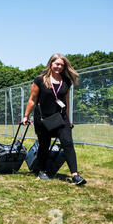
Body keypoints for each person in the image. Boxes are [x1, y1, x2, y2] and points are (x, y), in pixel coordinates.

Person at [22, 53, 86, 186]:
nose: (59, 67)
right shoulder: (40, 80)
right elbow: (32, 100)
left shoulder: (66, 82)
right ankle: (41, 171)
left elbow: (66, 102)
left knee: (68, 143)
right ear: (51, 64)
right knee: (44, 145)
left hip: (61, 119)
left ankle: (75, 175)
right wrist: (26, 116)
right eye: (57, 64)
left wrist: (68, 119)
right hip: (43, 118)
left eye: (62, 65)